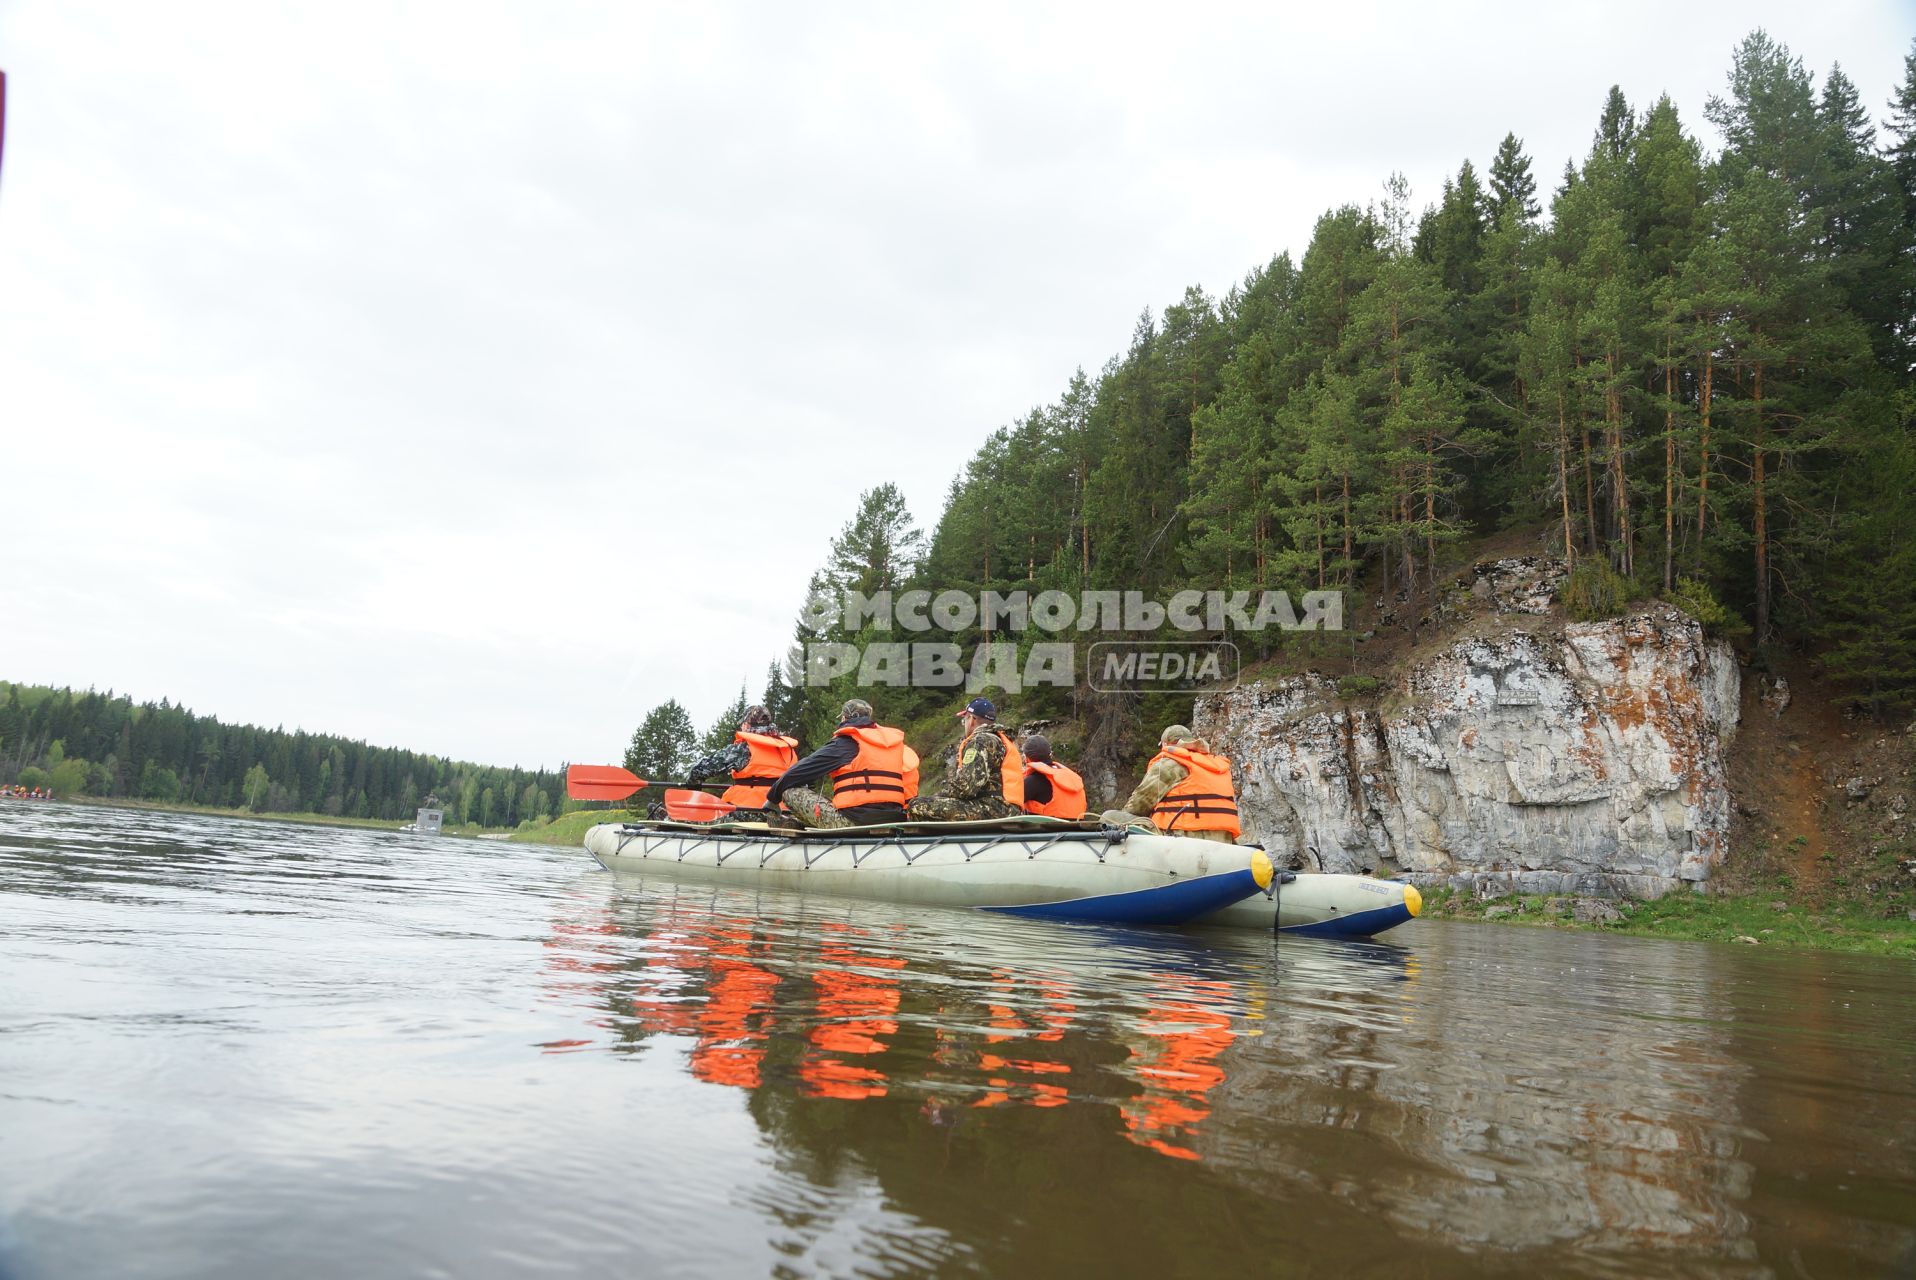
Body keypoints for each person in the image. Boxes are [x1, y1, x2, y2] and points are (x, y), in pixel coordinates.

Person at [766, 698, 917, 829]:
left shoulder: (846, 742)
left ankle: (796, 822)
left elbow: (801, 770)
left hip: (854, 821)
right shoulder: (894, 745)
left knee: (789, 791)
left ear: (844, 718)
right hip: (895, 817)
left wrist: (773, 797)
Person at [1100, 724, 1240, 843]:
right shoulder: (1216, 765)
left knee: (1109, 816)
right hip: (1224, 838)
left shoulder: (1169, 763)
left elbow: (1139, 805)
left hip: (1182, 836)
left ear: (1166, 744)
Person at [908, 697, 1024, 823]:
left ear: (972, 720)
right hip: (1009, 809)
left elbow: (966, 786)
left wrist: (936, 797)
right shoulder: (1001, 740)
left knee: (917, 806)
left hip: (993, 810)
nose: (964, 724)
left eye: (965, 719)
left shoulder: (979, 742)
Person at [682, 705, 799, 814]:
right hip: (784, 812)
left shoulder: (743, 748)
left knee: (707, 815)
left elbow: (698, 771)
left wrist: (693, 789)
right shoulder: (787, 748)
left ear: (747, 725)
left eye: (742, 724)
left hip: (749, 811)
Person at [1019, 734, 1087, 820]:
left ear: (1026, 758)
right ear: (1050, 754)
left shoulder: (1034, 781)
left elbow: (1009, 803)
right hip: (1077, 829)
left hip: (1049, 831)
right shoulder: (1071, 777)